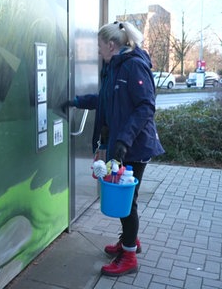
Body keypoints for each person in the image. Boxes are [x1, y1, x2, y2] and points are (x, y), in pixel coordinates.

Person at [63, 21, 165, 276]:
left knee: (127, 202)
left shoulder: (133, 66)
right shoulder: (115, 68)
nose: (98, 51)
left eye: (99, 46)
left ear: (111, 45)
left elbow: (145, 107)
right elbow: (107, 100)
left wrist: (123, 141)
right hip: (122, 145)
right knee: (128, 199)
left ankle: (129, 255)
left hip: (134, 147)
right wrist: (76, 101)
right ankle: (130, 241)